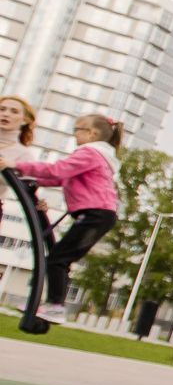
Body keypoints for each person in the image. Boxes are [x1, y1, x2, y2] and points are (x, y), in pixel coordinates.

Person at [1, 113, 124, 323]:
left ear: (91, 133)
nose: (74, 134)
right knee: (60, 259)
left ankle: (55, 306)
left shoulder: (90, 153)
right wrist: (30, 180)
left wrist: (17, 165)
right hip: (96, 214)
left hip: (96, 215)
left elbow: (58, 170)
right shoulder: (98, 156)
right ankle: (53, 305)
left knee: (58, 259)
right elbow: (61, 179)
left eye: (77, 129)